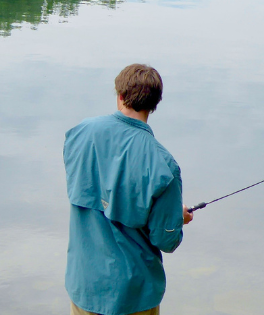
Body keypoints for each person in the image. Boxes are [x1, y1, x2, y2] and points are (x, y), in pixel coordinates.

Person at [64, 63, 193, 315]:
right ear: (154, 105)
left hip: (84, 285)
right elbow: (165, 240)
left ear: (120, 96)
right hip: (134, 295)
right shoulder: (165, 166)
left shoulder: (79, 133)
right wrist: (177, 218)